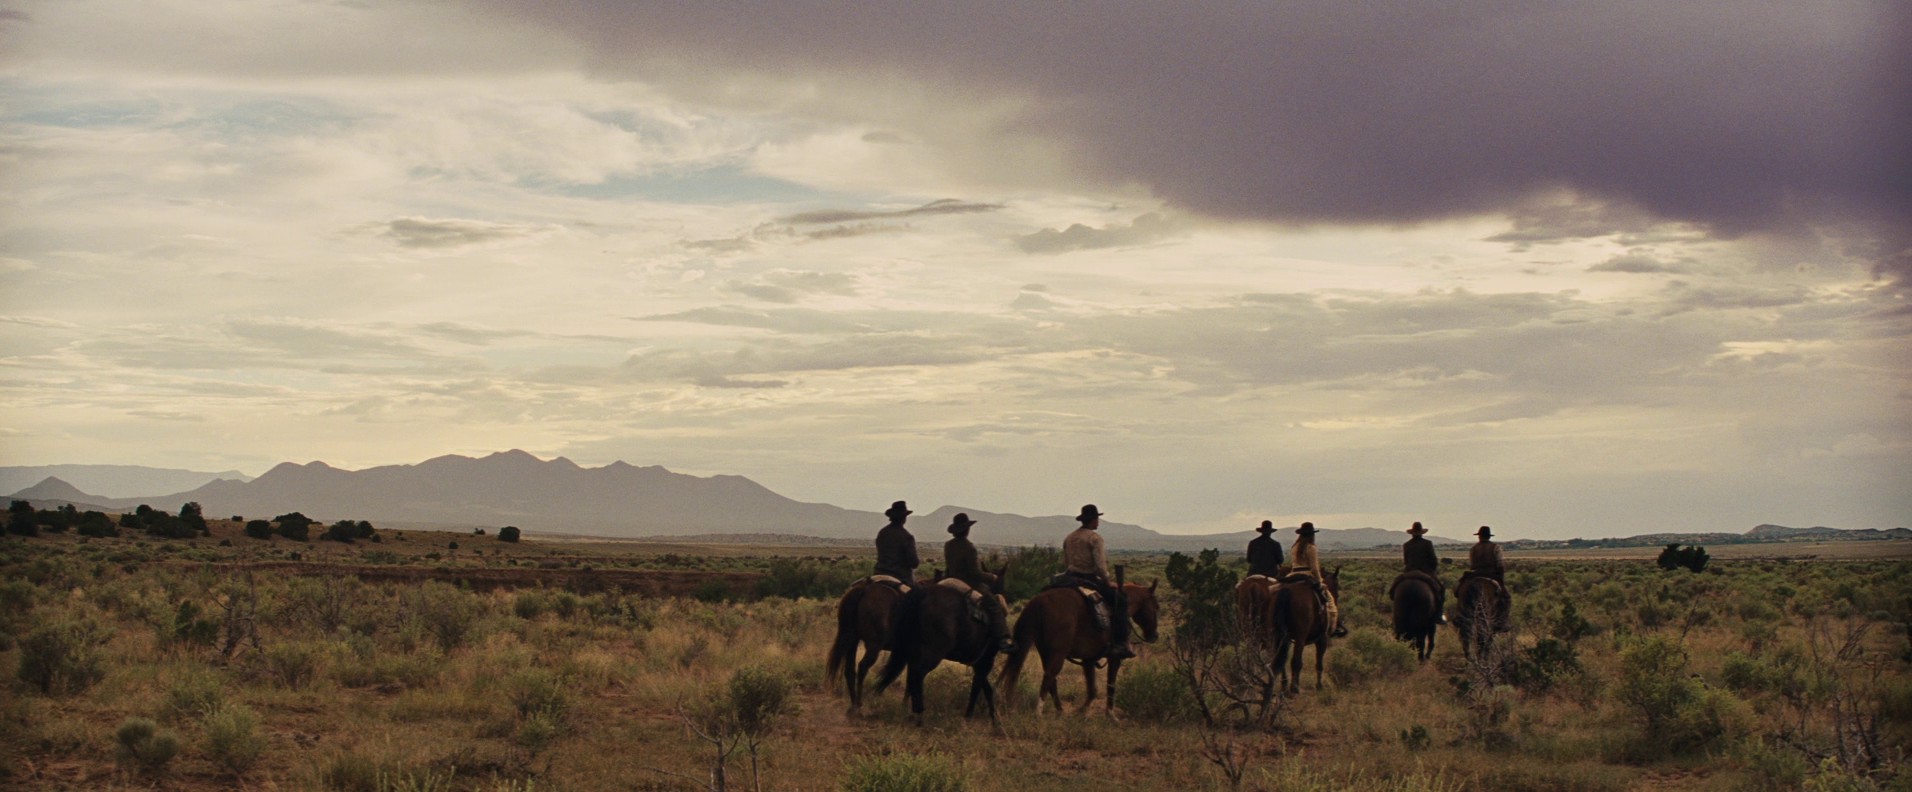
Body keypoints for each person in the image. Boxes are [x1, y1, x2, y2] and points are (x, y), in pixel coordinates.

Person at [1063, 504, 1135, 659]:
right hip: (1088, 578)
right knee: (1120, 601)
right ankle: (1120, 643)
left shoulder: (1069, 538)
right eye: (1097, 519)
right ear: (1093, 520)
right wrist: (1107, 580)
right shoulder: (1095, 538)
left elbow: (1066, 561)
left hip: (1070, 578)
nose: (1098, 522)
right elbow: (1100, 566)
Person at [944, 513, 1013, 652]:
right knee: (994, 604)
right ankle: (1003, 639)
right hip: (968, 584)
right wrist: (992, 577)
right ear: (967, 529)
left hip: (950, 581)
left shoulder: (948, 545)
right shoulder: (969, 547)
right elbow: (974, 573)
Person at [1289, 522, 1347, 637]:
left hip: (1292, 575)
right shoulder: (1311, 548)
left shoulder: (1294, 547)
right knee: (1331, 604)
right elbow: (1315, 569)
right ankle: (1332, 628)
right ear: (1312, 535)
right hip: (1307, 575)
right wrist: (1320, 581)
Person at [1401, 521, 1447, 625]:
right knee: (1440, 590)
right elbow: (1433, 560)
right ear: (1421, 533)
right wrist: (1433, 569)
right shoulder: (1427, 543)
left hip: (1410, 572)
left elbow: (1406, 561)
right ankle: (1439, 615)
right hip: (1426, 572)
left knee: (1394, 587)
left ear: (1412, 533)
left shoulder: (1406, 545)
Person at [872, 500, 919, 582]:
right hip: (901, 577)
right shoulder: (906, 536)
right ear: (904, 518)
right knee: (920, 593)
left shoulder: (882, 533)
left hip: (879, 573)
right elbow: (914, 563)